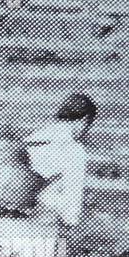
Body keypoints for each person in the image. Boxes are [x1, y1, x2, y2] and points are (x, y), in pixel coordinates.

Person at [25, 93, 95, 229]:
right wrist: (71, 223)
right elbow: (72, 199)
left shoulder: (33, 138)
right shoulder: (73, 149)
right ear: (84, 120)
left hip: (10, 220)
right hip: (44, 224)